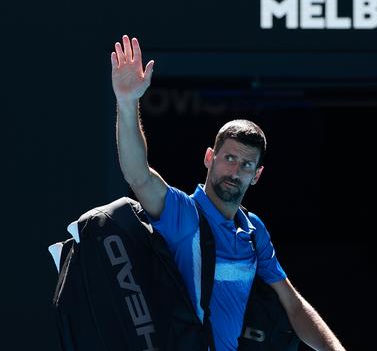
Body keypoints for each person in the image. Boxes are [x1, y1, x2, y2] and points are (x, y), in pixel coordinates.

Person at [111, 35, 345, 351]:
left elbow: (293, 305)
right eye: (229, 158)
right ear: (210, 158)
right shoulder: (182, 214)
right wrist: (128, 103)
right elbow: (138, 175)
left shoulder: (254, 231)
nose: (235, 172)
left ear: (257, 175)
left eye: (246, 165)